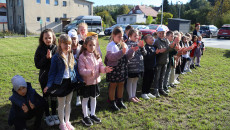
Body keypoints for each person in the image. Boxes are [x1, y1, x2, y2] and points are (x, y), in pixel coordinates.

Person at [44, 34, 83, 130]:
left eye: (69, 44)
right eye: (65, 43)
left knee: (68, 103)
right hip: (60, 84)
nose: (67, 46)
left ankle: (67, 121)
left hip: (70, 83)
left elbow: (75, 70)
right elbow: (52, 73)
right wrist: (49, 85)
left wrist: (80, 80)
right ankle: (62, 124)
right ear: (59, 44)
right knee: (61, 105)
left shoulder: (71, 56)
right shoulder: (56, 58)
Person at [78, 36, 113, 126]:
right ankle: (85, 116)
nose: (92, 47)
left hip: (95, 82)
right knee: (85, 99)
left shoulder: (96, 55)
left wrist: (104, 69)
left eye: (94, 45)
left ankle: (92, 114)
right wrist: (90, 72)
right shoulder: (82, 56)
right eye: (90, 45)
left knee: (94, 98)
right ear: (85, 45)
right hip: (86, 83)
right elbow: (81, 70)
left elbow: (100, 66)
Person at [105, 26, 138, 111]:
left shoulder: (123, 44)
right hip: (114, 68)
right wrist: (121, 52)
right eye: (118, 36)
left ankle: (120, 100)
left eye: (122, 36)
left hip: (122, 67)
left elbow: (127, 57)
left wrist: (131, 51)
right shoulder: (110, 45)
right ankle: (112, 102)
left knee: (121, 84)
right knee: (113, 85)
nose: (121, 38)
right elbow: (111, 57)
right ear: (114, 36)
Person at [34, 29, 59, 126]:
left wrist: (52, 58)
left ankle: (54, 113)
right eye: (46, 38)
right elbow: (37, 64)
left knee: (53, 96)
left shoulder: (56, 48)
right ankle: (47, 115)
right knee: (46, 96)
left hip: (54, 78)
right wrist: (46, 58)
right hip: (44, 78)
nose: (48, 40)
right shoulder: (40, 49)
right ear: (42, 39)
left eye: (50, 37)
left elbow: (58, 63)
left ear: (53, 38)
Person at [153, 26, 178, 97]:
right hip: (159, 61)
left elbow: (167, 50)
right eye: (160, 33)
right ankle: (156, 90)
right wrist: (169, 47)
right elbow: (161, 50)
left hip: (165, 61)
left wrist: (172, 46)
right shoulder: (157, 41)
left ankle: (161, 89)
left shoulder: (166, 40)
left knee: (162, 76)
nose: (161, 35)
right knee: (157, 77)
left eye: (163, 33)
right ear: (157, 33)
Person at [126, 29, 146, 102]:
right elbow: (128, 53)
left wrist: (142, 47)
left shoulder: (139, 43)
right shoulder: (128, 44)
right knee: (130, 80)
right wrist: (137, 45)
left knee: (135, 80)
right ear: (130, 36)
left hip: (138, 67)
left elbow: (144, 53)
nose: (136, 37)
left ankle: (134, 95)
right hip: (131, 67)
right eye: (135, 35)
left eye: (137, 35)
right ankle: (130, 96)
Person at [141, 34, 163, 100]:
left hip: (153, 66)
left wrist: (158, 53)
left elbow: (154, 56)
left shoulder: (153, 47)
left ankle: (148, 92)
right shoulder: (146, 47)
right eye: (150, 38)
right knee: (146, 80)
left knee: (151, 80)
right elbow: (147, 57)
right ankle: (144, 93)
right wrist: (155, 53)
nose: (152, 38)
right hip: (147, 67)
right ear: (146, 40)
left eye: (152, 37)